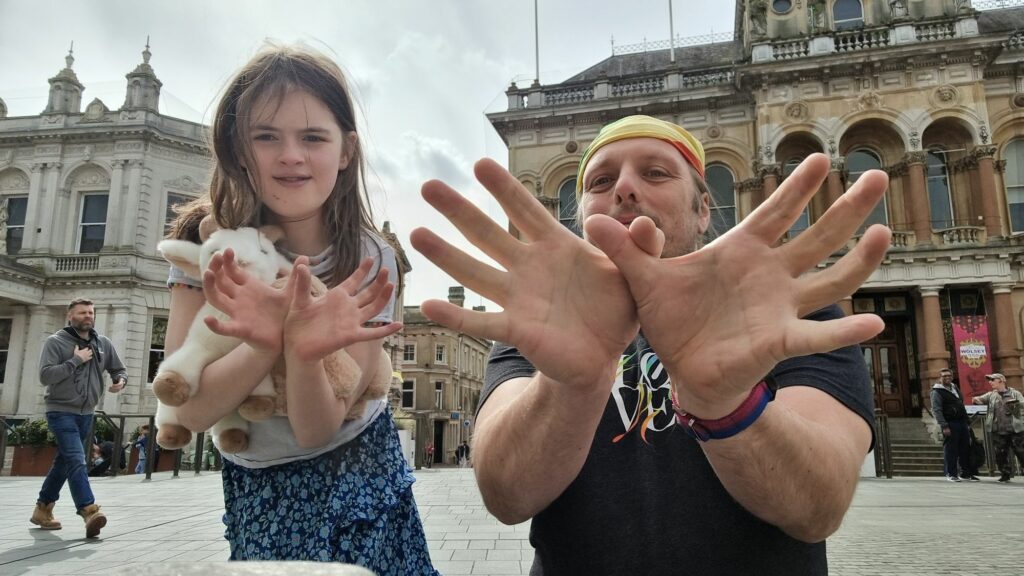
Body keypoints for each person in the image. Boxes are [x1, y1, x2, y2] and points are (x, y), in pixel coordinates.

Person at [410, 115, 892, 574]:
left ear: (704, 209)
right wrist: (572, 385)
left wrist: (725, 403)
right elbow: (507, 495)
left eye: (656, 173)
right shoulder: (534, 329)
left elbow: (817, 509)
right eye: (599, 182)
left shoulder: (784, 315)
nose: (622, 187)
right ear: (582, 218)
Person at [164, 44, 436, 574]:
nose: (291, 154)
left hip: (359, 467)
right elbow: (190, 412)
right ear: (238, 148)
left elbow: (321, 428)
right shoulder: (205, 247)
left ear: (346, 150)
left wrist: (303, 354)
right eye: (266, 136)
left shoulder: (369, 256)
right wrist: (266, 342)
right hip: (258, 479)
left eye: (313, 137)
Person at [31, 297, 127, 537]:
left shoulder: (102, 343)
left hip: (86, 414)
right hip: (61, 411)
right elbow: (45, 376)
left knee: (65, 462)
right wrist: (76, 360)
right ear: (70, 316)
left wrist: (120, 380)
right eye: (82, 312)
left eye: (91, 312)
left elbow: (119, 368)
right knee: (76, 459)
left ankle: (43, 509)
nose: (88, 316)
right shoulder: (55, 342)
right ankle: (89, 510)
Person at [972, 373, 1024, 482]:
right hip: (998, 430)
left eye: (992, 380)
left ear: (1001, 380)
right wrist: (976, 399)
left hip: (1015, 429)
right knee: (1000, 454)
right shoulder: (991, 395)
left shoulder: (1015, 393)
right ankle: (1005, 474)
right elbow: (978, 399)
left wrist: (1015, 404)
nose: (990, 382)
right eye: (989, 380)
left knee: (1021, 452)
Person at [932, 367, 979, 482]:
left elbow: (961, 405)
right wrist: (944, 426)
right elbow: (937, 410)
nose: (947, 378)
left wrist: (967, 422)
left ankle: (966, 473)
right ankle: (951, 473)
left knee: (965, 448)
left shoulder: (955, 388)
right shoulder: (936, 391)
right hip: (950, 423)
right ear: (940, 378)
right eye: (944, 376)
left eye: (949, 375)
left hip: (962, 422)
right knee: (951, 449)